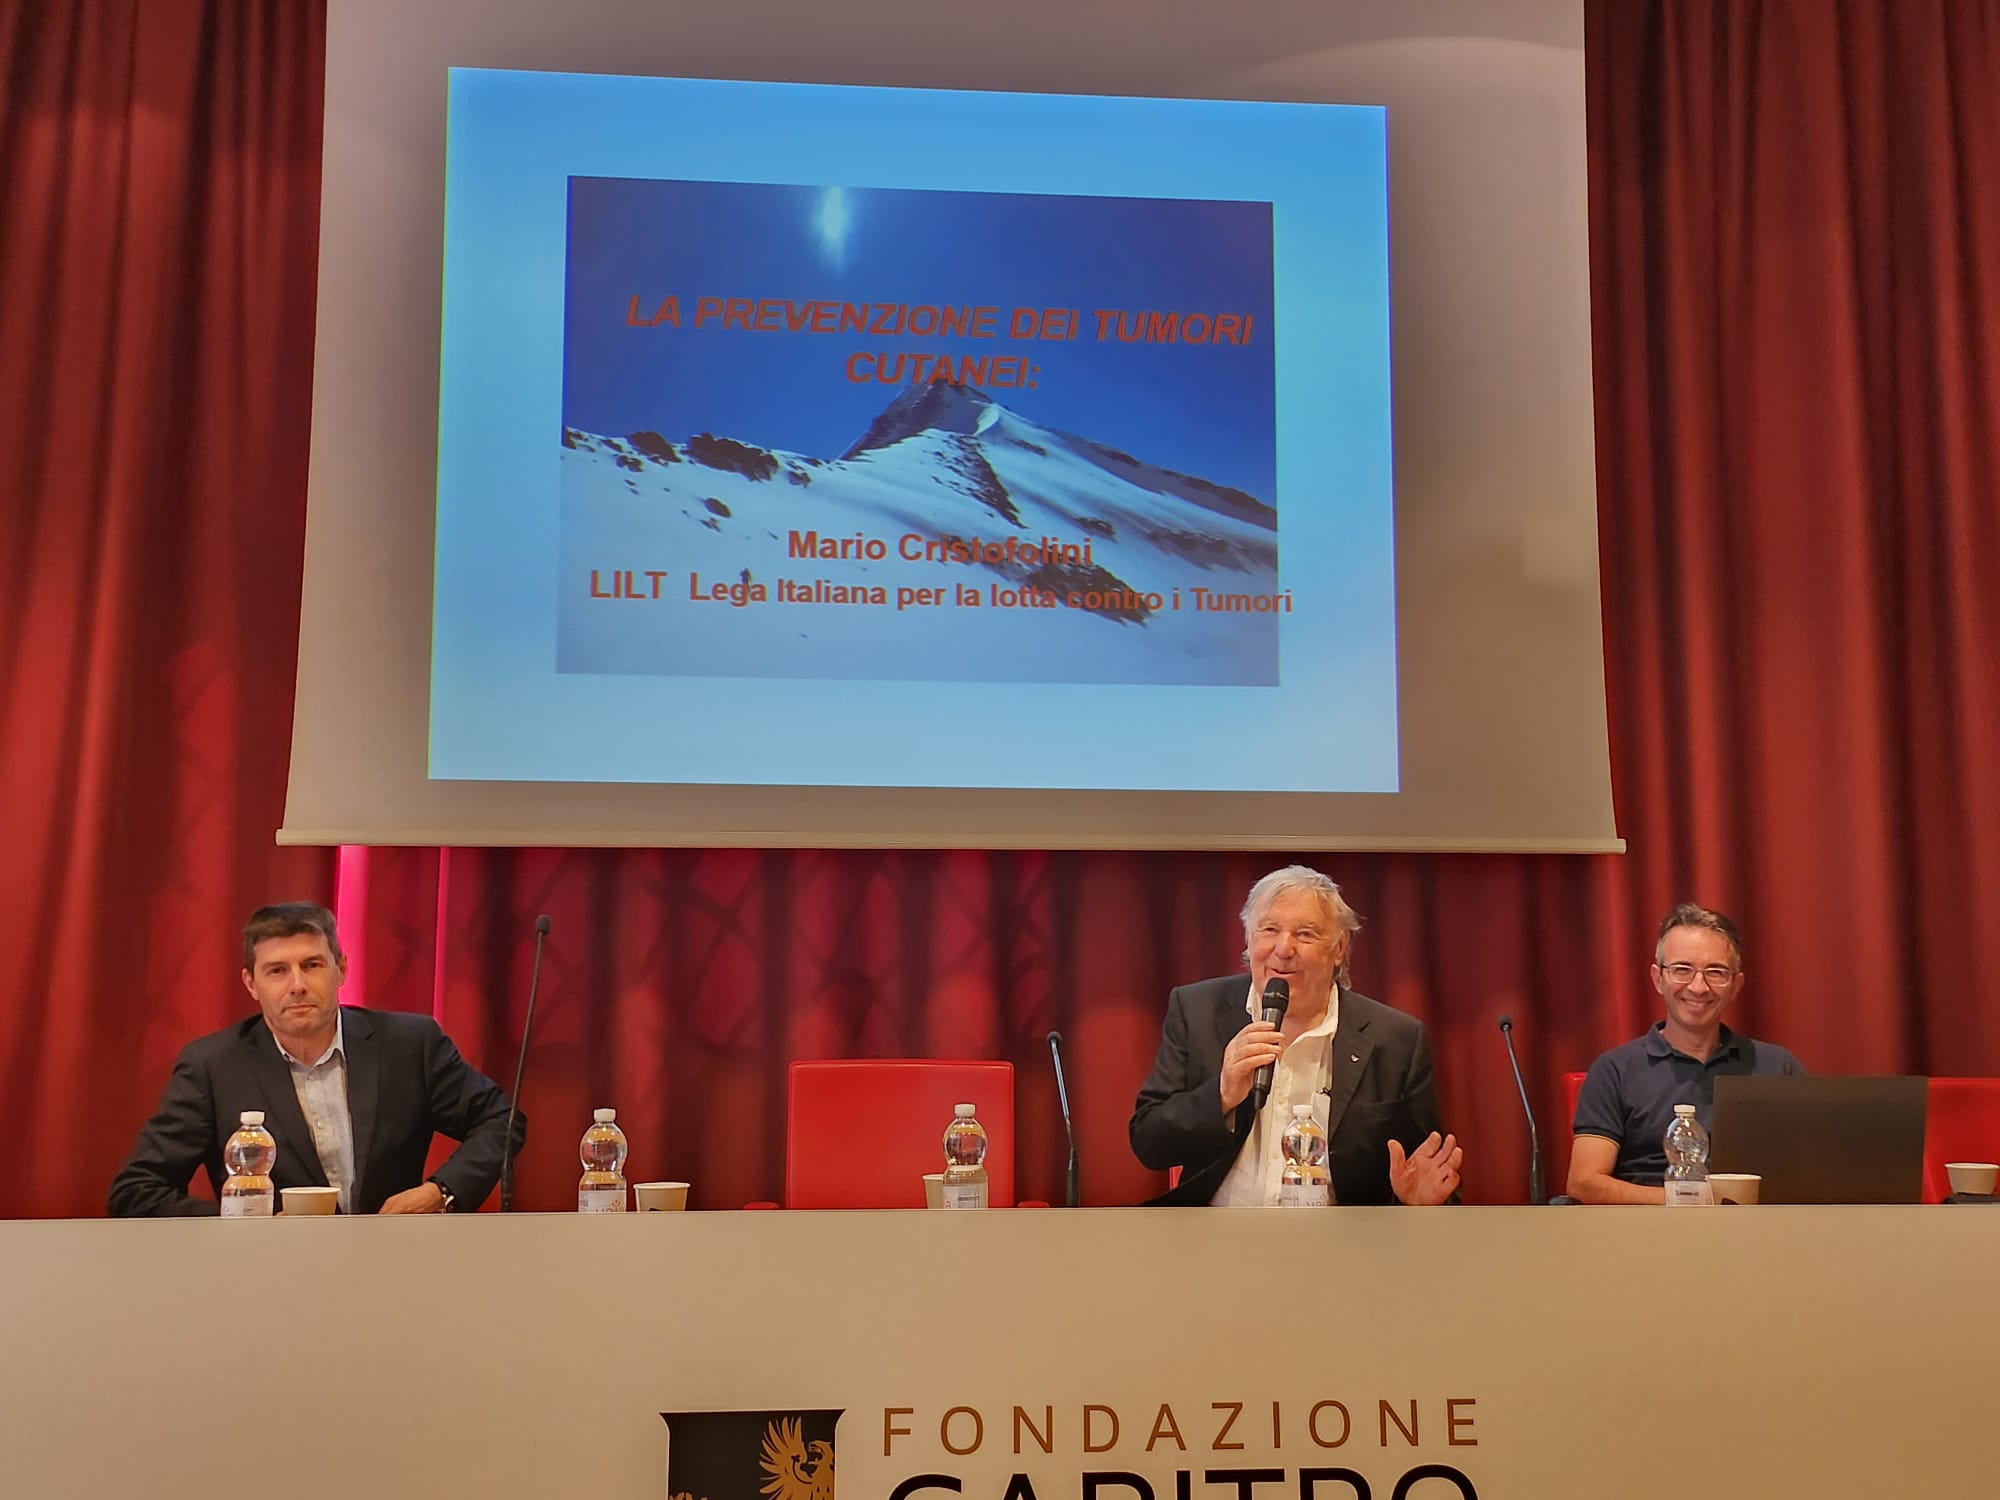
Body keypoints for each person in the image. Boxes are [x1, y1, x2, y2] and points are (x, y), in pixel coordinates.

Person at [109, 901, 525, 1215]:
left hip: (394, 1262)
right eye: (277, 971)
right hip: (268, 1274)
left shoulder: (409, 1044)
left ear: (341, 969)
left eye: (312, 965)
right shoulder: (213, 1066)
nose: (297, 985)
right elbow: (137, 1190)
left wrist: (441, 1192)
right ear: (251, 983)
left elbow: (501, 1122)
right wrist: (245, 1222)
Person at [1130, 865, 1462, 1206]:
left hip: (1341, 1236)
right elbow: (1149, 1142)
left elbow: (1430, 1174)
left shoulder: (1395, 1040)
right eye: (1269, 930)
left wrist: (1414, 1205)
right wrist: (1222, 1094)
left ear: (1339, 947)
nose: (1283, 948)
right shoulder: (1197, 1011)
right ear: (1248, 939)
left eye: (1305, 934)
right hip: (1216, 1232)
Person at [1566, 901, 1804, 1204]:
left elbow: (1812, 1168)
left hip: (1756, 1225)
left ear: (1736, 985)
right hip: (1647, 1224)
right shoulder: (1615, 1070)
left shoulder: (1778, 1067)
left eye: (1716, 972)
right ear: (1658, 979)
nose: (1698, 987)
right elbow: (1584, 1183)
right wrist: (1690, 1201)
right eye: (1682, 970)